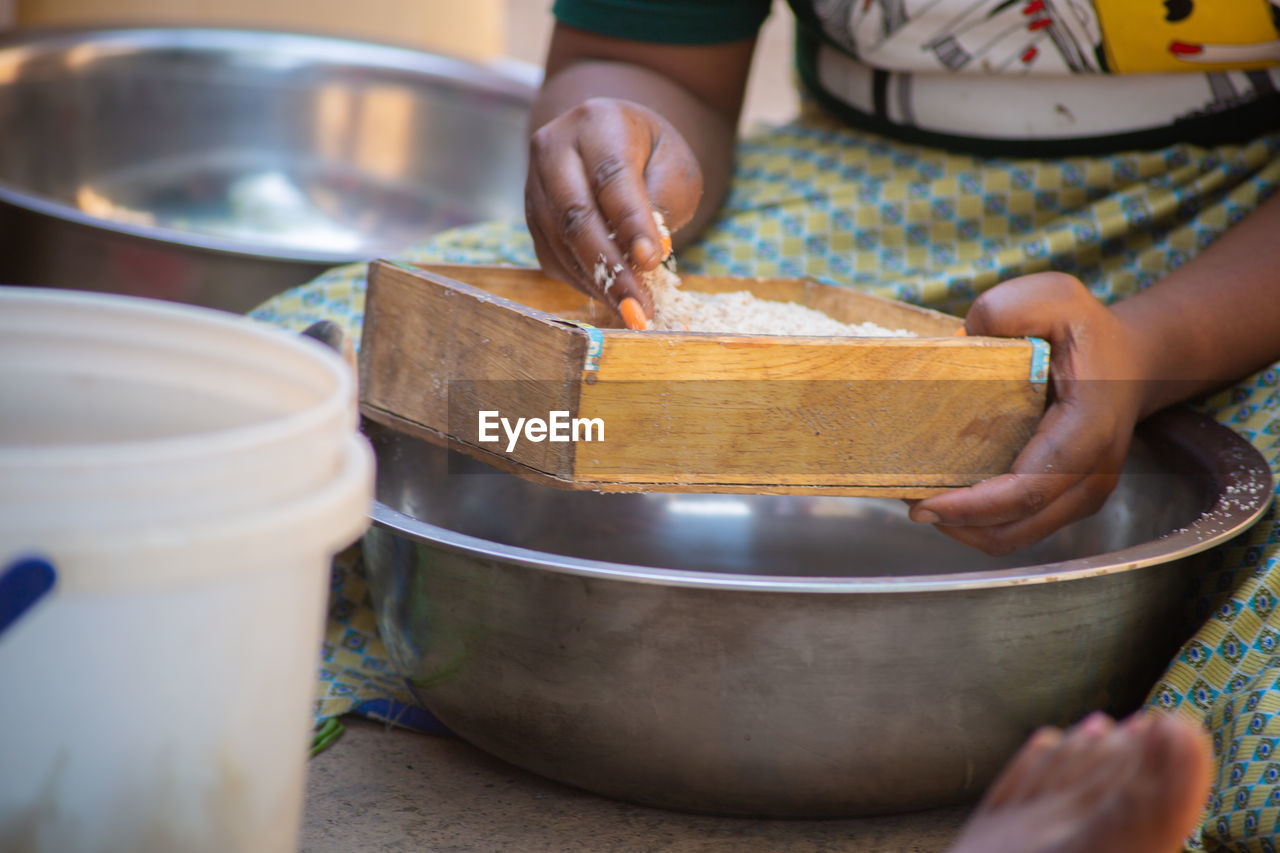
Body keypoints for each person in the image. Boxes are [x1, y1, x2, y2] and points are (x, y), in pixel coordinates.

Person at [251, 1, 1279, 848]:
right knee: (296, 380)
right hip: (864, 198)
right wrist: (616, 148)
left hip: (1245, 257)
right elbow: (646, 58)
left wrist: (1147, 352)